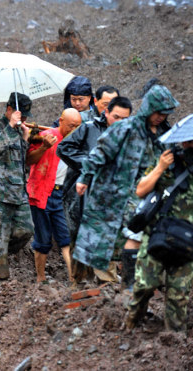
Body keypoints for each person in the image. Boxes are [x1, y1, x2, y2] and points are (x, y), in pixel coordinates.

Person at [73, 85, 179, 275]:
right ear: (149, 108)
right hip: (113, 192)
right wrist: (84, 177)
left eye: (164, 114)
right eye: (158, 113)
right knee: (97, 243)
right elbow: (99, 153)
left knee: (141, 235)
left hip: (143, 194)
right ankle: (81, 281)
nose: (161, 117)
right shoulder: (126, 128)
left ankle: (135, 282)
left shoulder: (164, 136)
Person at [57, 97, 133, 282]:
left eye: (125, 119)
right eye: (116, 117)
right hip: (82, 194)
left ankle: (106, 284)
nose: (120, 122)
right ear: (106, 113)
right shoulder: (89, 128)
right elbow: (64, 148)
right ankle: (79, 285)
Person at [126, 137, 193, 332]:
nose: (188, 146)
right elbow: (140, 190)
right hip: (159, 233)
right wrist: (160, 167)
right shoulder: (167, 161)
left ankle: (174, 340)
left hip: (187, 239)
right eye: (186, 142)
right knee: (145, 285)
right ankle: (131, 323)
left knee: (178, 294)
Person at [0, 92, 33, 279]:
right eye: (22, 114)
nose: (24, 118)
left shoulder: (18, 130)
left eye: (26, 116)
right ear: (10, 109)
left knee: (25, 230)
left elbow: (18, 160)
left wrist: (25, 139)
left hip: (17, 192)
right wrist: (11, 126)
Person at [26, 108, 81, 283]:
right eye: (71, 126)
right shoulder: (46, 136)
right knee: (42, 239)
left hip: (62, 194)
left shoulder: (77, 141)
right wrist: (44, 147)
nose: (74, 129)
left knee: (66, 238)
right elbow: (29, 160)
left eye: (78, 126)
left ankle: (73, 279)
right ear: (61, 121)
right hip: (41, 193)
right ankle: (40, 278)